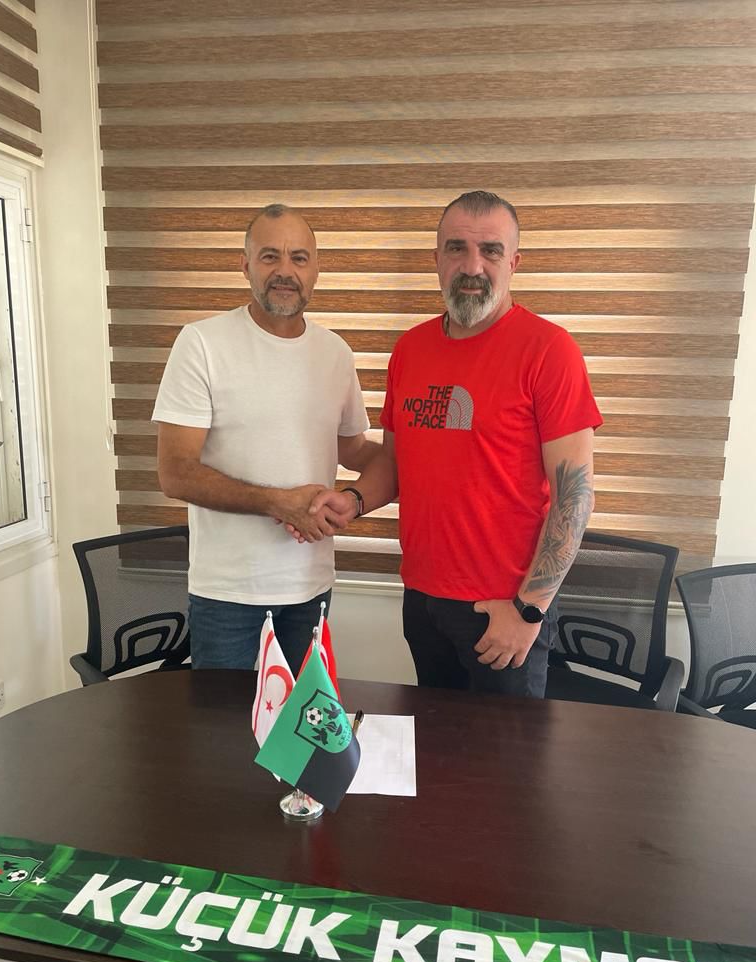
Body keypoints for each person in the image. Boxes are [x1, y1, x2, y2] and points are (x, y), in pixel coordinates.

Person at [299, 191, 602, 697]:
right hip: (423, 601)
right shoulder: (410, 350)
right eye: (457, 248)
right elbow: (395, 462)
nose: (472, 266)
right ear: (437, 258)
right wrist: (352, 499)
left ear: (514, 261)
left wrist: (529, 610)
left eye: (490, 250)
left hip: (502, 609)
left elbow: (575, 495)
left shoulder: (550, 352)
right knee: (435, 743)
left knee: (504, 750)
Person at [152, 204, 377, 673]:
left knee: (301, 720)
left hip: (311, 587)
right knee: (222, 721)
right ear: (245, 264)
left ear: (316, 269)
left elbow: (354, 449)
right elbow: (176, 473)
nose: (285, 271)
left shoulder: (335, 353)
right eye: (270, 256)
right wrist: (278, 502)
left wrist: (428, 459)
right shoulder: (202, 343)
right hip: (227, 595)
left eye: (299, 258)